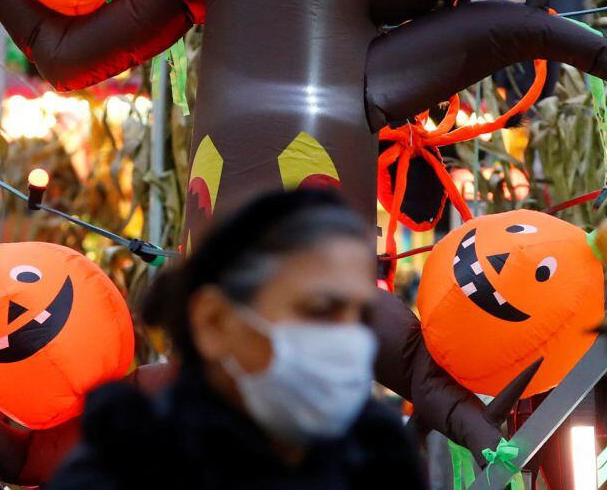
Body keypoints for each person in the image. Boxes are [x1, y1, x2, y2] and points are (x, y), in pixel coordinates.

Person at [48, 190, 426, 489]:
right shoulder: (123, 470)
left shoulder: (378, 459)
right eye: (320, 311)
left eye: (360, 317)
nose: (349, 341)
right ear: (214, 322)